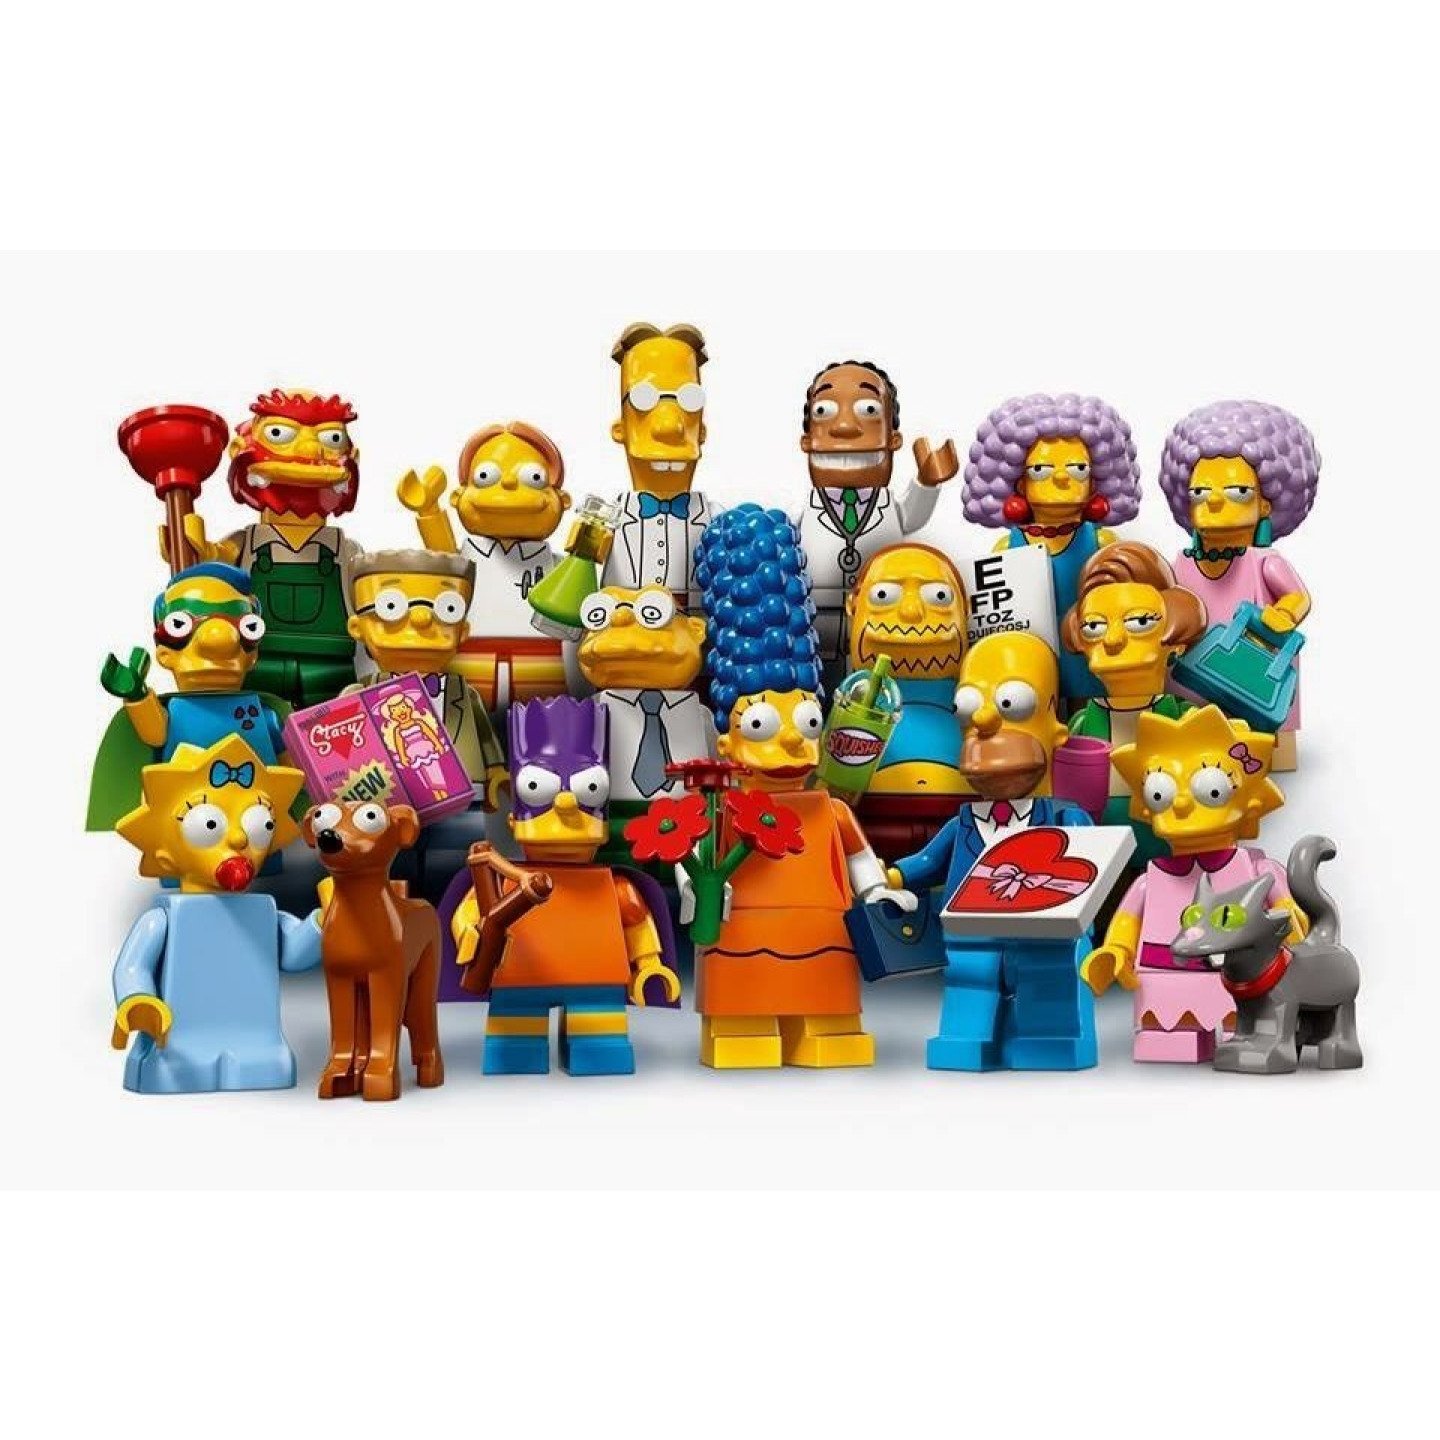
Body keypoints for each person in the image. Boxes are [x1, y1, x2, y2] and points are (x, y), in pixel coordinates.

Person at [889, 632, 1096, 1071]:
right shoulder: (962, 823)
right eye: (969, 709)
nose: (984, 720)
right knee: (971, 980)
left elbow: (1090, 873)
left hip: (1045, 931)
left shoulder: (1065, 819)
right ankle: (966, 1038)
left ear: (1058, 726)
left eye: (1012, 704)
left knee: (1047, 981)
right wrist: (890, 877)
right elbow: (928, 862)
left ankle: (1046, 1039)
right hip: (970, 930)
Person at [109, 737, 321, 1093]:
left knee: (263, 1058)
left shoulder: (265, 912)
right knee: (173, 1064)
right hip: (177, 1048)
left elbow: (293, 955)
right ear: (164, 856)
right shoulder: (164, 918)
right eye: (209, 825)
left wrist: (319, 924)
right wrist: (138, 1000)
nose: (238, 838)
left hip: (260, 1046)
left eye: (260, 825)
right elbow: (134, 967)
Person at [172, 389, 363, 706]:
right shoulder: (244, 544)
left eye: (332, 439)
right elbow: (208, 574)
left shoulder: (346, 550)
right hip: (258, 660)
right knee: (256, 721)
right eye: (279, 434)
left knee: (332, 725)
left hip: (331, 663)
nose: (309, 450)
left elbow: (374, 597)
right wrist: (192, 546)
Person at [1156, 399, 1318, 771]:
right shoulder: (1183, 561)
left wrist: (1283, 613)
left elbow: (1298, 597)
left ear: (1266, 503)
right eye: (1200, 493)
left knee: (1263, 724)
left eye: (1237, 493)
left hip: (1253, 663)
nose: (1214, 502)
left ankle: (1272, 749)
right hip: (1195, 669)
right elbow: (1172, 601)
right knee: (1187, 712)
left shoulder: (1264, 561)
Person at [960, 392, 1142, 704]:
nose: (1060, 478)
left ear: (1095, 482)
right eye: (1041, 470)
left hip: (1091, 658)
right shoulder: (1007, 549)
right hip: (1030, 666)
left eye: (1078, 469)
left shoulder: (1104, 545)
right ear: (1020, 482)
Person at [396, 422, 571, 715]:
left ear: (563, 501)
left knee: (539, 727)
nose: (509, 485)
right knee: (468, 726)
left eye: (534, 478)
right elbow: (441, 558)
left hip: (541, 665)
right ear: (458, 497)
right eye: (486, 477)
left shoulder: (561, 567)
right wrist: (428, 511)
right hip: (469, 660)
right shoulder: (460, 562)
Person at [796, 360, 958, 671]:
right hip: (818, 620)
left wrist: (927, 483)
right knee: (824, 676)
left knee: (876, 679)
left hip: (883, 620)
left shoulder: (889, 507)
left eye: (868, 410)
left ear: (894, 439)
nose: (845, 428)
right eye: (824, 411)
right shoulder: (805, 514)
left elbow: (913, 516)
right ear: (806, 442)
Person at [1060, 541, 1205, 863]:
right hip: (1101, 851)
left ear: (1177, 638)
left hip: (1172, 847)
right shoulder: (1080, 726)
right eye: (1094, 627)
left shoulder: (1187, 719)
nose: (1112, 640)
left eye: (1139, 622)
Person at [844, 543, 969, 859]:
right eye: (883, 596)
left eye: (938, 597)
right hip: (870, 832)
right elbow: (835, 787)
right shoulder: (856, 697)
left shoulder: (974, 695)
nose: (911, 613)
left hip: (960, 825)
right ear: (853, 607)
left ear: (965, 609)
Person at [603, 322, 714, 607]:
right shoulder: (606, 519)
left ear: (702, 432)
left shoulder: (717, 522)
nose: (669, 426)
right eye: (643, 399)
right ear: (619, 430)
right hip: (625, 621)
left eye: (689, 400)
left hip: (695, 624)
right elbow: (574, 582)